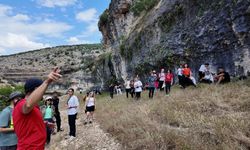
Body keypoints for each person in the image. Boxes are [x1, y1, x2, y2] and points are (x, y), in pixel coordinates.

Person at [13, 67, 61, 150]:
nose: (43, 92)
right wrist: (47, 82)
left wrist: (44, 123)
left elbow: (28, 122)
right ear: (36, 89)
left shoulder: (35, 106)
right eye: (42, 90)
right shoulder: (21, 103)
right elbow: (27, 106)